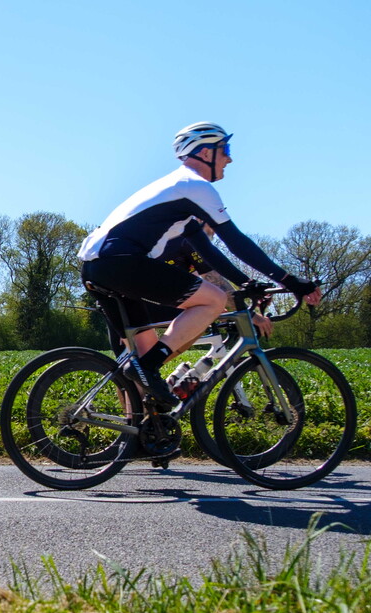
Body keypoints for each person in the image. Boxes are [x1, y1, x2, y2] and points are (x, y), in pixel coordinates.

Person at [78, 121, 320, 407]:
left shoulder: (177, 192)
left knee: (142, 366)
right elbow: (235, 241)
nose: (230, 158)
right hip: (121, 263)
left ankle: (142, 435)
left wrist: (247, 284)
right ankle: (148, 367)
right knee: (214, 300)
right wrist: (291, 281)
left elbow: (210, 254)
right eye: (225, 150)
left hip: (98, 268)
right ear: (206, 153)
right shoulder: (194, 185)